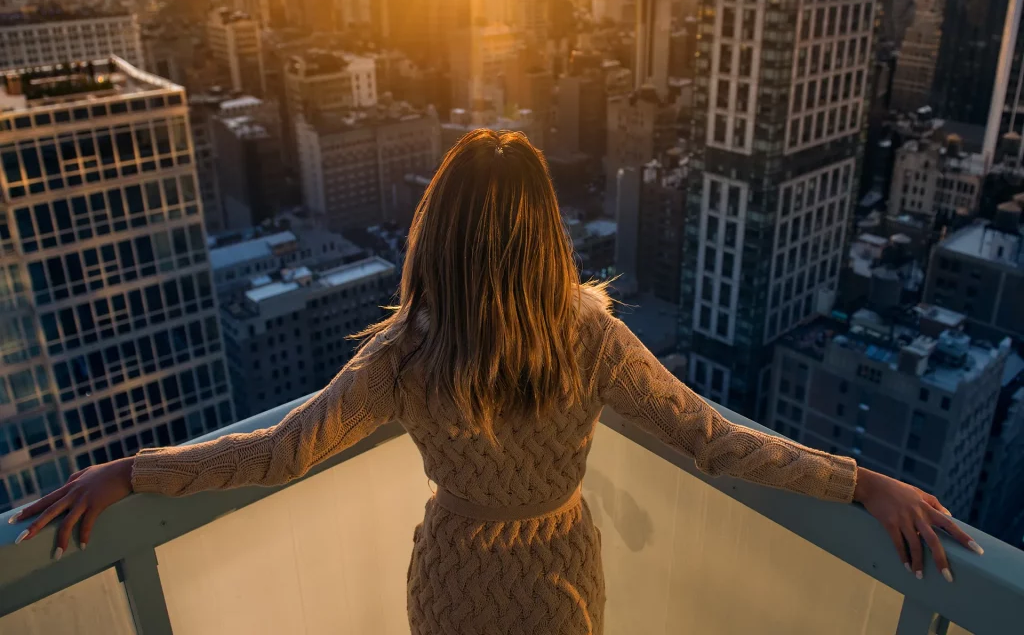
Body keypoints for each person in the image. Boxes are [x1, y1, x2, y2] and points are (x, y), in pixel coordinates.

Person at [11, 130, 981, 633]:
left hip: (451, 583)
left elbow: (274, 452)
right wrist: (862, 481)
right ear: (542, 231)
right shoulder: (589, 338)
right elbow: (716, 441)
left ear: (440, 229)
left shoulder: (405, 355)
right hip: (556, 583)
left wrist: (132, 472)